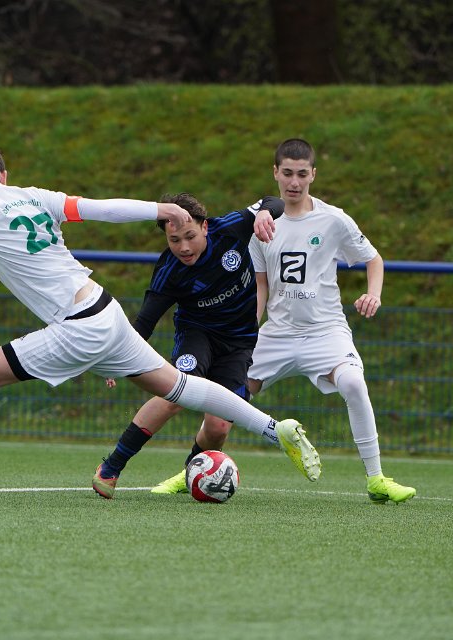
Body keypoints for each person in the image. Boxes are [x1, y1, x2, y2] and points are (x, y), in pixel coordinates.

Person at [0, 125, 308, 501]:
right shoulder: (36, 196)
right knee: (180, 387)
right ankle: (275, 428)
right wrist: (160, 208)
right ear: (4, 175)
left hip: (78, 327)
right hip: (106, 311)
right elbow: (102, 209)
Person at [93, 193, 321, 496]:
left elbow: (273, 202)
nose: (184, 247)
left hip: (239, 342)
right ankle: (112, 466)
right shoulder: (169, 271)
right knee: (176, 393)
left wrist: (266, 213)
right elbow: (145, 322)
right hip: (197, 335)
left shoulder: (230, 228)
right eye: (174, 240)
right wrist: (118, 358)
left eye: (190, 236)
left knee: (218, 427)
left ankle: (191, 472)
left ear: (205, 226)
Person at [246, 138, 416, 504]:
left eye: (301, 174)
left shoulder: (334, 219)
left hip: (325, 331)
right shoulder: (261, 224)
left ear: (313, 175)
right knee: (228, 393)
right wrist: (246, 332)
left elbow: (373, 259)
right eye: (287, 173)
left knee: (353, 383)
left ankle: (377, 479)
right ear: (275, 173)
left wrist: (374, 294)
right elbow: (261, 285)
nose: (294, 182)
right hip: (277, 333)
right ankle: (194, 467)